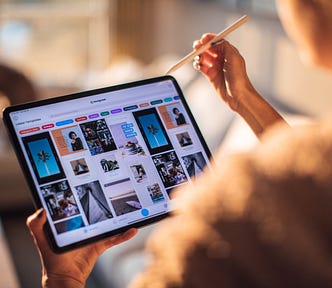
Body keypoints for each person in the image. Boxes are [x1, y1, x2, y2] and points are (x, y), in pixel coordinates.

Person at [27, 0, 332, 287]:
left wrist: (64, 277)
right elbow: (304, 170)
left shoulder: (232, 202)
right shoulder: (311, 167)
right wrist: (243, 99)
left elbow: (294, 180)